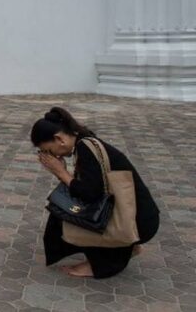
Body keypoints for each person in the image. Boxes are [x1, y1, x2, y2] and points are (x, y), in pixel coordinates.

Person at [32, 107, 160, 278]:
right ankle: (126, 248)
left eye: (48, 150)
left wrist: (61, 172)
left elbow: (90, 195)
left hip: (137, 222)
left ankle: (103, 261)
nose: (50, 155)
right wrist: (62, 173)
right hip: (141, 217)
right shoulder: (85, 142)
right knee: (66, 206)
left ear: (59, 139)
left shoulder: (85, 147)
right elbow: (89, 187)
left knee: (63, 213)